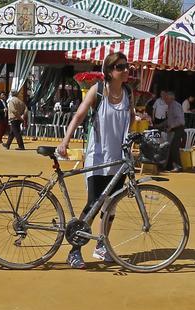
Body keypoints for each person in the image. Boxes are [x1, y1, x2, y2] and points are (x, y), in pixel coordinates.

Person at [57, 52, 136, 269]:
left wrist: (132, 142)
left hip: (118, 160)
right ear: (110, 71)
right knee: (94, 204)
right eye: (121, 67)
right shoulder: (98, 91)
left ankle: (101, 244)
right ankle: (75, 250)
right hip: (97, 157)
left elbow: (129, 119)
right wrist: (65, 141)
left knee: (111, 205)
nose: (126, 70)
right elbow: (79, 116)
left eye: (127, 66)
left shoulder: (128, 93)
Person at [160, 90, 185, 172]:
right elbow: (170, 119)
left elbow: (180, 120)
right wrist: (160, 125)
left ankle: (178, 166)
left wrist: (171, 127)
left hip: (177, 129)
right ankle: (169, 166)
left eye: (166, 98)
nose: (165, 100)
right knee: (170, 147)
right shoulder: (170, 106)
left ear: (171, 98)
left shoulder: (175, 106)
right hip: (174, 129)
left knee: (174, 148)